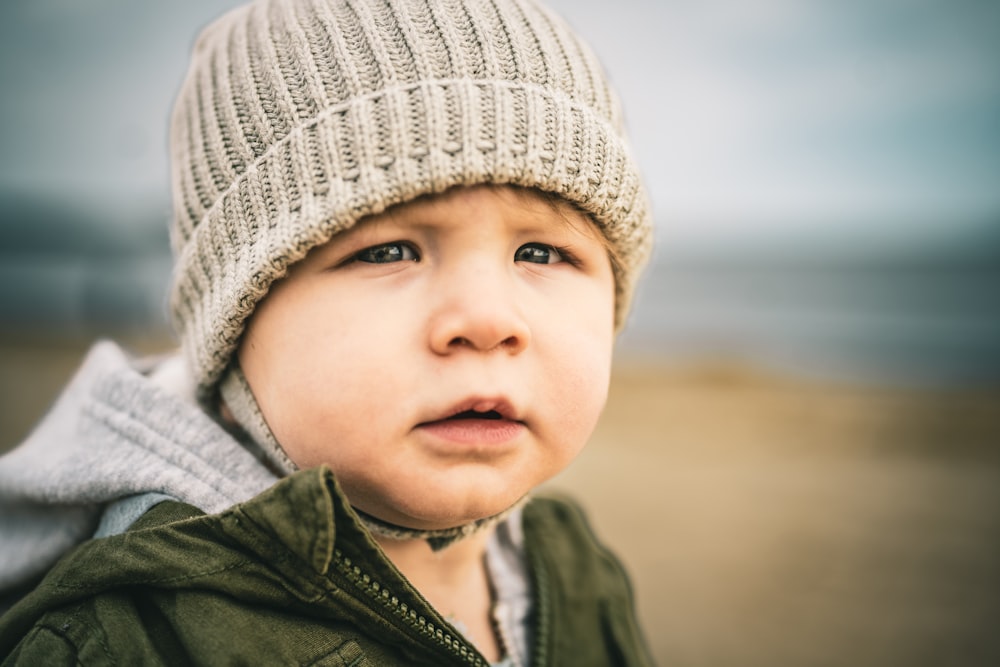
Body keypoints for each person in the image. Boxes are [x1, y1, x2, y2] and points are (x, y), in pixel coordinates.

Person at [0, 0, 654, 663]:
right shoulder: (133, 638)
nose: (488, 320)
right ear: (235, 321)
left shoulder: (574, 571)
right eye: (387, 251)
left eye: (541, 254)